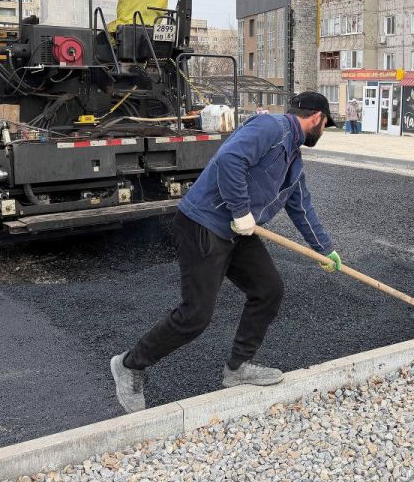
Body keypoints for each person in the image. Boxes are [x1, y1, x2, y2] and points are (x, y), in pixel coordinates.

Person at [110, 92, 341, 413]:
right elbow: (230, 158)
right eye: (327, 124)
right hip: (204, 222)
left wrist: (324, 250)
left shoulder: (294, 160)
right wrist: (241, 209)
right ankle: (130, 365)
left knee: (268, 289)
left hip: (237, 230)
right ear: (317, 118)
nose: (324, 130)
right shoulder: (271, 127)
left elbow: (301, 207)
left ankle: (238, 367)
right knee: (195, 315)